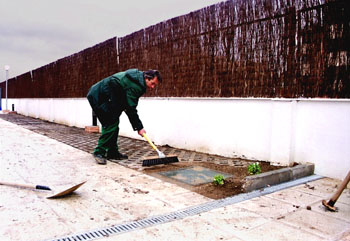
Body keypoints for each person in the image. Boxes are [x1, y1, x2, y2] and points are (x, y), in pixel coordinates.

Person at [87, 68, 162, 165]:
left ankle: (112, 152)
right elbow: (130, 108)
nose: (152, 87)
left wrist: (137, 126)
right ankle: (99, 152)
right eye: (153, 83)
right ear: (147, 78)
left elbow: (127, 103)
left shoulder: (137, 78)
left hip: (108, 96)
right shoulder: (136, 85)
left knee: (114, 123)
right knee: (110, 123)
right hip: (99, 96)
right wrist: (139, 127)